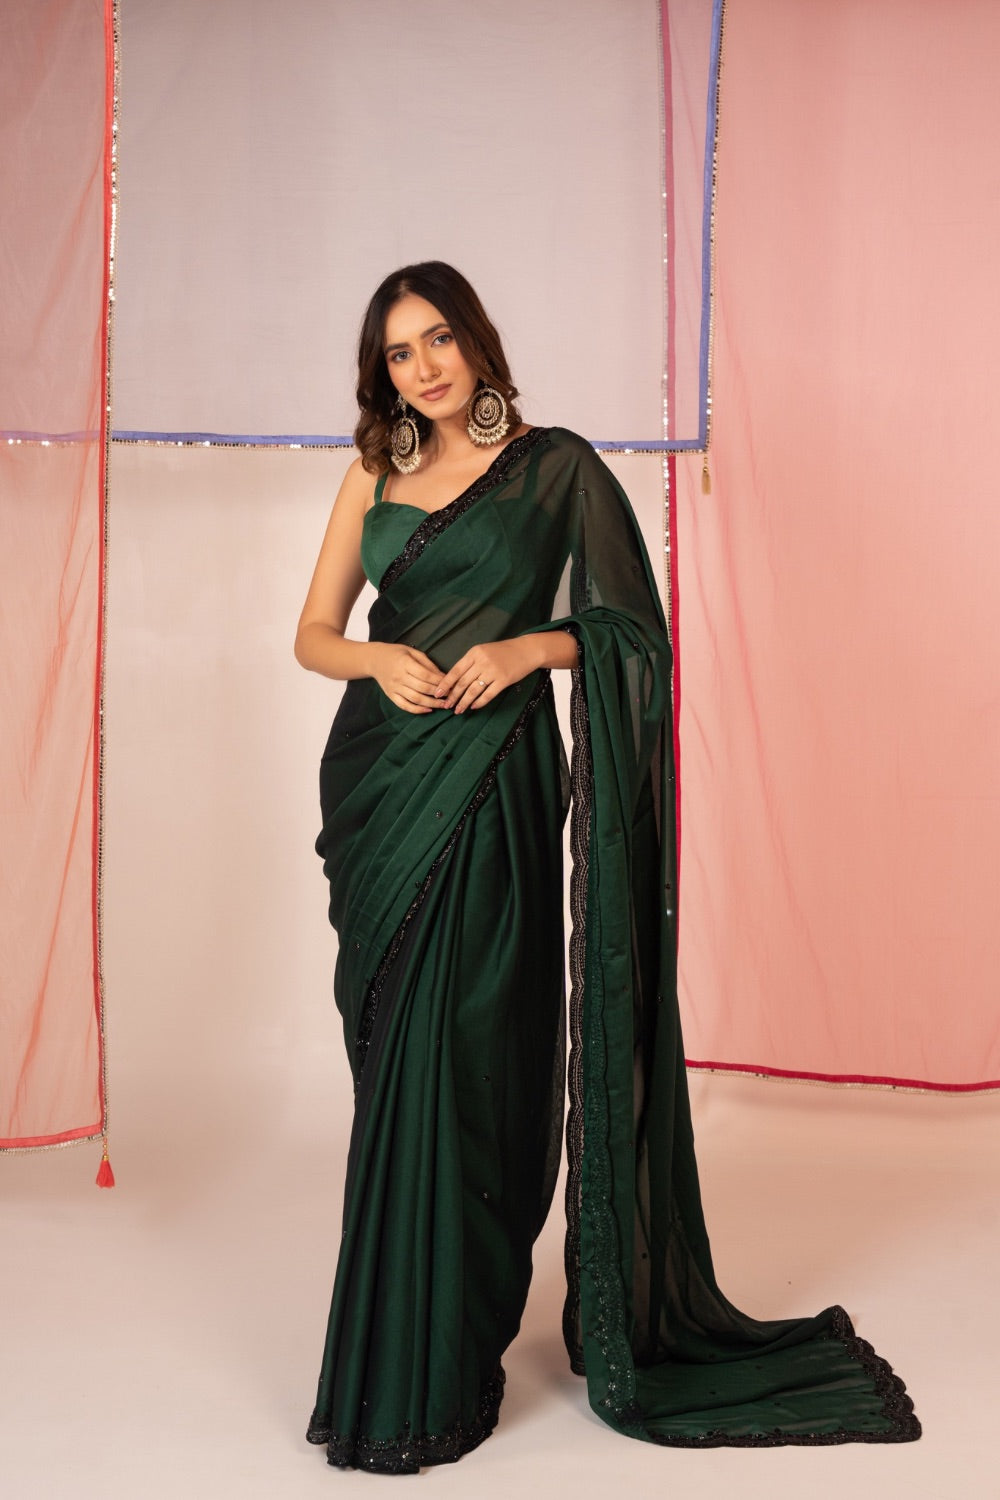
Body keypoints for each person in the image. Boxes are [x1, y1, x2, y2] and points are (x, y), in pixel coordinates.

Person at [294, 262, 919, 1474]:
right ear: (383, 374)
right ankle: (397, 1353)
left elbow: (633, 629)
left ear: (476, 341)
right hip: (382, 787)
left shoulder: (557, 469)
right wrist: (377, 663)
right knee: (398, 1067)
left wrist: (531, 648)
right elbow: (313, 634)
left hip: (496, 783)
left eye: (438, 340)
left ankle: (449, 1346)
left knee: (474, 1055)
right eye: (398, 353)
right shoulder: (373, 472)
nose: (422, 368)